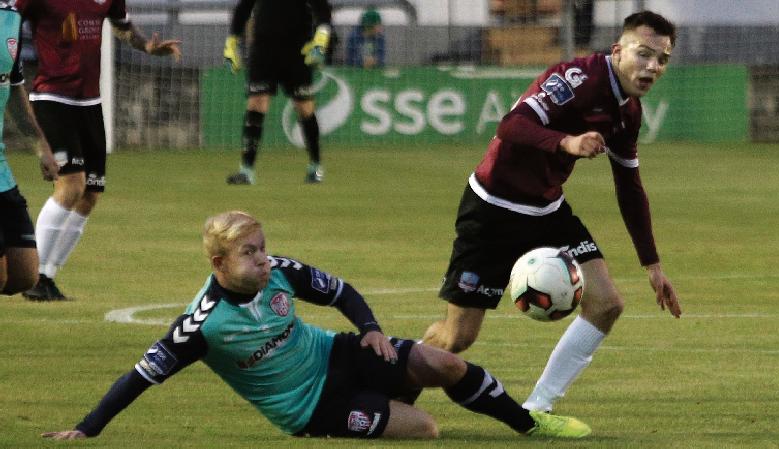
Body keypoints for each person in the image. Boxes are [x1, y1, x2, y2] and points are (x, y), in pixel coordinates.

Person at [41, 211, 591, 440]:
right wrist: (88, 428)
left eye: (262, 248)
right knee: (425, 428)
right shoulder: (201, 327)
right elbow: (140, 376)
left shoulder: (279, 274)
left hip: (336, 354)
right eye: (249, 253)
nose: (264, 259)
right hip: (309, 408)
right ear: (218, 265)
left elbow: (340, 291)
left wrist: (371, 329)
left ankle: (529, 424)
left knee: (441, 361)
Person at [422, 11, 682, 415]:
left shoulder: (628, 111)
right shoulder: (575, 79)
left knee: (607, 303)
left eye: (661, 60)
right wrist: (567, 143)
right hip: (493, 210)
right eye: (643, 54)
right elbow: (511, 126)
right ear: (618, 50)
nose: (652, 67)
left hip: (547, 211)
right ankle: (392, 370)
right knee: (456, 338)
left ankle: (538, 409)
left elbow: (629, 187)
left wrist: (652, 264)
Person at [17, 0, 181, 301]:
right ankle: (32, 277)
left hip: (89, 104)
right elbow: (10, 18)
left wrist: (147, 47)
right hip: (51, 100)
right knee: (71, 185)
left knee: (90, 194)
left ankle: (48, 278)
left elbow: (123, 26)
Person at [223, 0, 331, 185]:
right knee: (256, 102)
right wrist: (232, 40)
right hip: (263, 50)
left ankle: (315, 165)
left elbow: (322, 7)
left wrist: (321, 36)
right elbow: (244, 8)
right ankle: (246, 170)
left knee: (304, 107)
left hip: (297, 50)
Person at [0, 1, 59, 296]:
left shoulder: (11, 15)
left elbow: (14, 90)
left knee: (24, 275)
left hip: (1, 173)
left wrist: (42, 148)